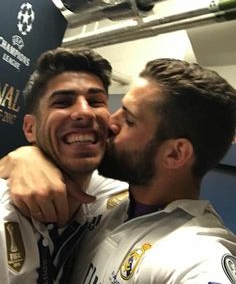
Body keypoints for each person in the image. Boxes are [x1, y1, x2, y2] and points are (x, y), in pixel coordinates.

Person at [1, 58, 236, 283]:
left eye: (129, 120)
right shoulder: (106, 196)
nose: (110, 123)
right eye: (119, 108)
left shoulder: (194, 251)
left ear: (174, 154)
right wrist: (26, 156)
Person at [0, 47, 128, 283]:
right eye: (63, 102)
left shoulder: (116, 194)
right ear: (30, 129)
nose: (84, 112)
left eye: (95, 101)